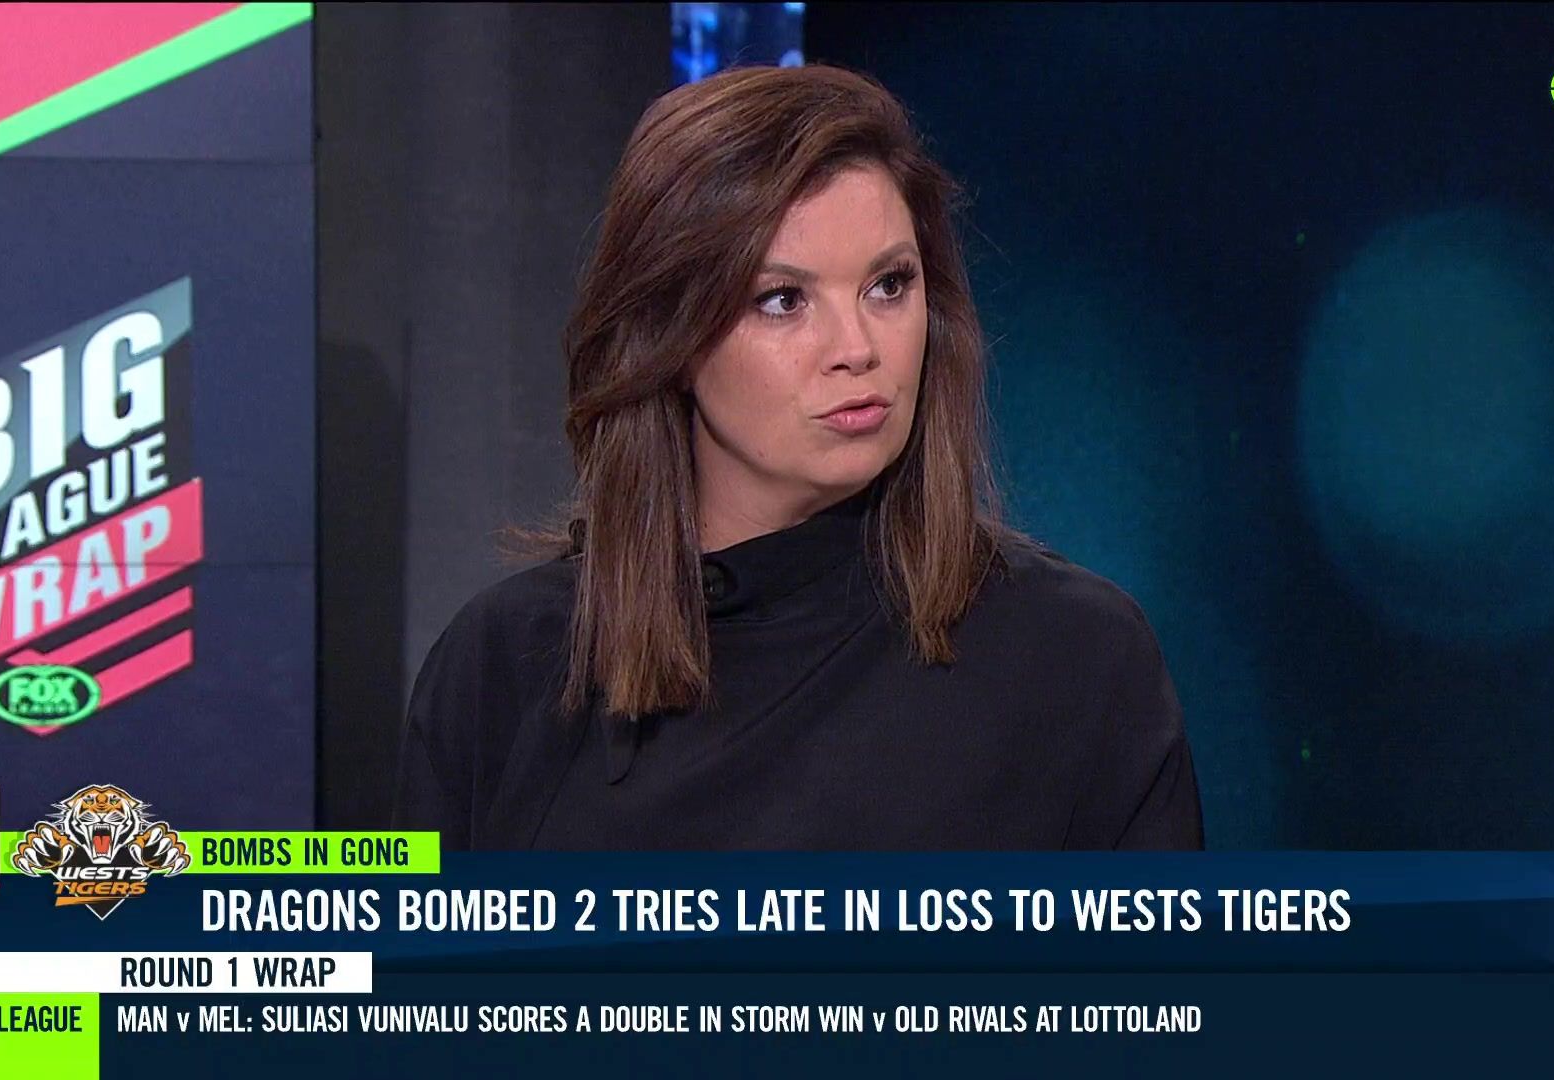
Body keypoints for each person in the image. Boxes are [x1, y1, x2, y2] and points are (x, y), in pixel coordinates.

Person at [394, 63, 1202, 850]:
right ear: (668, 335)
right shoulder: (505, 666)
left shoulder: (1075, 660)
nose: (857, 348)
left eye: (889, 285)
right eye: (783, 300)